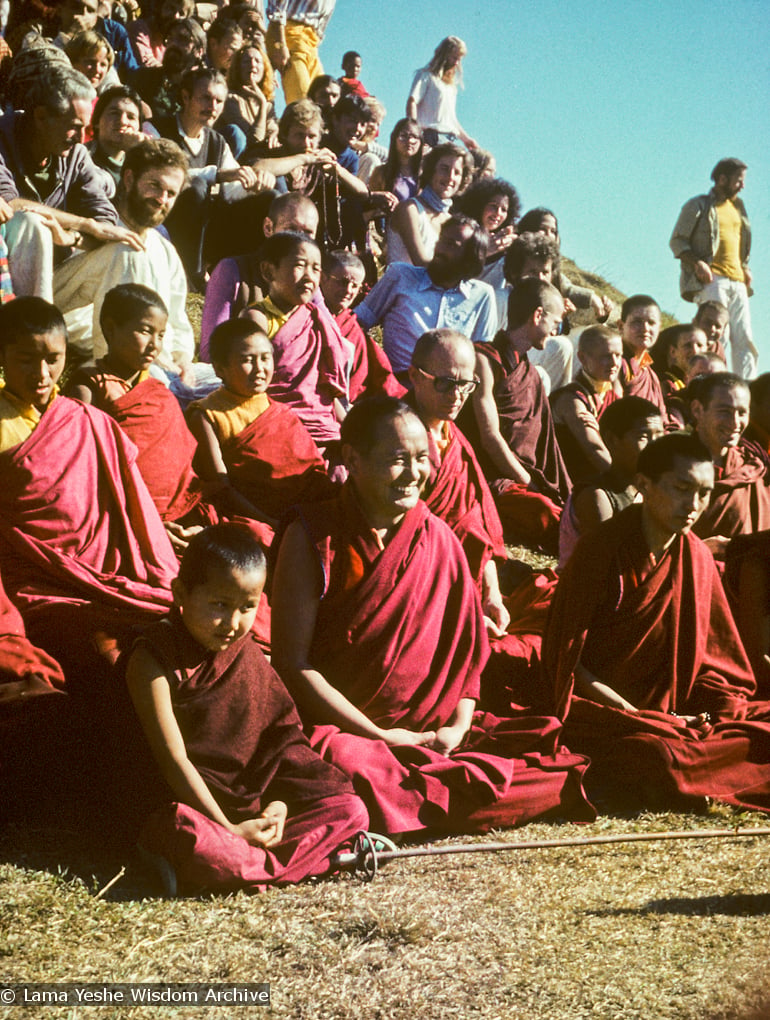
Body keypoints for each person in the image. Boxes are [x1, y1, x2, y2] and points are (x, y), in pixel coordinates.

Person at [271, 397, 593, 836]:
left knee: (552, 764)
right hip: (346, 730)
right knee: (347, 767)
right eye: (396, 460)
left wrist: (459, 727)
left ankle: (404, 801)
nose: (413, 473)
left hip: (434, 735)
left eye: (422, 458)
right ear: (353, 459)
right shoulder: (312, 536)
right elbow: (293, 664)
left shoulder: (439, 538)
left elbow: (467, 662)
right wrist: (381, 736)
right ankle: (409, 797)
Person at [126, 523, 369, 895]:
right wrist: (228, 828)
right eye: (219, 606)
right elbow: (173, 760)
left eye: (247, 607)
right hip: (192, 805)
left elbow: (281, 746)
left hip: (252, 809)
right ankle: (282, 861)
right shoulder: (151, 658)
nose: (233, 623)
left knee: (350, 810)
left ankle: (247, 866)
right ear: (180, 593)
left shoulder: (246, 653)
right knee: (193, 838)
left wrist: (278, 808)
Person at [543, 431, 770, 814]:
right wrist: (635, 715)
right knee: (654, 755)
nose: (694, 505)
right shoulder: (600, 551)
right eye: (682, 489)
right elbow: (568, 664)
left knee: (755, 730)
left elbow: (717, 664)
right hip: (608, 714)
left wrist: (710, 708)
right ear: (644, 485)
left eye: (704, 493)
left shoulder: (696, 557)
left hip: (677, 717)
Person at [0, 297, 176, 683]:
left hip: (109, 566)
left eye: (53, 359)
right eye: (26, 359)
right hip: (38, 575)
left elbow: (132, 504)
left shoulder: (88, 420)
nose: (42, 374)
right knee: (107, 657)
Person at [65, 284, 211, 538]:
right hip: (122, 515)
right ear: (110, 328)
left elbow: (180, 461)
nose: (154, 344)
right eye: (145, 331)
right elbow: (82, 469)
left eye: (161, 335)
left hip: (180, 509)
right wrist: (144, 520)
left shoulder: (159, 391)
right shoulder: (88, 386)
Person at [52, 137, 196, 379]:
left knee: (223, 383)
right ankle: (114, 375)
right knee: (126, 249)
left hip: (157, 356)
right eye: (154, 185)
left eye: (171, 193)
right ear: (129, 180)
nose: (162, 199)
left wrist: (183, 361)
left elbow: (178, 321)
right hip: (73, 318)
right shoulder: (97, 222)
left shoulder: (165, 251)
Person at [0, 64, 142, 302]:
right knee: (32, 224)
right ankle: (28, 332)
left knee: (126, 247)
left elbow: (104, 222)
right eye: (75, 127)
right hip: (8, 275)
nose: (80, 138)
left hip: (54, 276)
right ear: (41, 116)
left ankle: (105, 338)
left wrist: (72, 238)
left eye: (85, 128)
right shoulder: (3, 136)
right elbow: (10, 204)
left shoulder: (75, 154)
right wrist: (83, 224)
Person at [186, 318, 334, 529]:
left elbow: (312, 473)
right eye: (248, 360)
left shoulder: (280, 412)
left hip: (304, 511)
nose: (260, 369)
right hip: (254, 517)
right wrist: (271, 523)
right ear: (219, 369)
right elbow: (221, 488)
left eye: (265, 358)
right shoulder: (206, 414)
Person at [457, 278, 570, 554]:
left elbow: (543, 443)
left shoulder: (530, 374)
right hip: (489, 478)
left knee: (572, 511)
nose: (557, 330)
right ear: (538, 315)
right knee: (545, 512)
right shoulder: (483, 360)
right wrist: (528, 483)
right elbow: (490, 438)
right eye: (556, 322)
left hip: (525, 479)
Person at [408, 329, 508, 637]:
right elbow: (401, 547)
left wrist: (491, 593)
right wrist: (464, 610)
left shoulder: (456, 442)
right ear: (415, 376)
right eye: (445, 383)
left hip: (467, 583)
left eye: (466, 384)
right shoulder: (393, 439)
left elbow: (478, 528)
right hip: (420, 590)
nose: (457, 395)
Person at [243, 230, 352, 454]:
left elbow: (326, 390)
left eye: (316, 268)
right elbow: (250, 385)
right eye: (300, 265)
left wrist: (347, 426)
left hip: (321, 423)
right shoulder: (258, 318)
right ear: (268, 271)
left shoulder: (318, 320)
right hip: (275, 421)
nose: (309, 277)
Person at [355, 214, 496, 376]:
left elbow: (482, 356)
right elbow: (358, 321)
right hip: (398, 386)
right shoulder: (400, 276)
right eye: (441, 240)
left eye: (451, 245)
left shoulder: (482, 295)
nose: (439, 249)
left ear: (471, 256)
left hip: (450, 392)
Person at [200, 190, 318, 357]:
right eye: (291, 229)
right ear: (268, 228)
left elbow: (333, 343)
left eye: (308, 233)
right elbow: (211, 351)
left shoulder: (310, 280)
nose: (298, 239)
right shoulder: (233, 270)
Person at [670, 158, 755, 378]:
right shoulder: (698, 205)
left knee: (744, 337)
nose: (742, 186)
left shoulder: (738, 209)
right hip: (712, 278)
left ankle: (746, 389)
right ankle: (714, 380)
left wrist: (745, 268)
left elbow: (739, 244)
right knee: (717, 335)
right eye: (738, 180)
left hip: (737, 282)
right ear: (722, 179)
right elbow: (677, 241)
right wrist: (697, 263)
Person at [558, 396, 664, 569]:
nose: (655, 447)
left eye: (659, 437)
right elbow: (611, 563)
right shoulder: (596, 496)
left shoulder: (648, 491)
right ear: (612, 440)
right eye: (644, 436)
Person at [689, 372, 770, 555]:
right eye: (724, 411)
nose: (735, 423)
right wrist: (699, 551)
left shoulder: (754, 467)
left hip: (746, 579)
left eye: (742, 413)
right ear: (697, 410)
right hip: (693, 576)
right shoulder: (672, 463)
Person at [320, 249, 403, 402]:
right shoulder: (308, 315)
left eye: (355, 286)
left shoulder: (351, 326)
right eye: (343, 282)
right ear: (322, 278)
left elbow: (367, 376)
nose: (348, 291)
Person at [550, 325, 623, 486]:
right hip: (570, 480)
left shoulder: (612, 395)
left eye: (618, 355)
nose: (614, 363)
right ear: (582, 358)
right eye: (606, 356)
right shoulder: (571, 399)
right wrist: (628, 483)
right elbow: (594, 450)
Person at [385, 142, 472, 266]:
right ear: (431, 170)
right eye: (444, 169)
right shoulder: (409, 209)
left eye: (457, 173)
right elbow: (420, 263)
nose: (450, 177)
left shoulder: (451, 222)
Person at [453, 175, 519, 315]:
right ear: (480, 204)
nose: (498, 214)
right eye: (493, 207)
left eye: (504, 210)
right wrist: (484, 251)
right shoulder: (463, 231)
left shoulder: (506, 243)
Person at [406, 36, 477, 150]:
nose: (456, 63)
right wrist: (413, 131)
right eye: (454, 58)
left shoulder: (450, 87)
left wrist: (466, 139)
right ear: (445, 55)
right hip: (431, 136)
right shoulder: (426, 76)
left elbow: (450, 119)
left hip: (449, 137)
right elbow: (412, 101)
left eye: (459, 59)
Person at [265, 0, 336, 104]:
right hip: (289, 33)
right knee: (302, 101)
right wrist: (278, 41)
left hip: (312, 42)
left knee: (323, 98)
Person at [618, 294, 669, 423]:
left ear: (659, 328)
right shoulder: (614, 363)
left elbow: (662, 420)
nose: (645, 328)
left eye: (651, 323)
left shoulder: (651, 375)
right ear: (620, 326)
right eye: (637, 322)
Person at [219, 43, 276, 158]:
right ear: (238, 68)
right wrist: (261, 103)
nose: (252, 65)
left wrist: (275, 134)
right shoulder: (229, 98)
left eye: (257, 61)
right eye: (246, 61)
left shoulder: (268, 105)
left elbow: (272, 130)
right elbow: (254, 140)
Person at [87, 84, 146, 190]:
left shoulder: (145, 166)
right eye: (114, 113)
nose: (123, 121)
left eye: (131, 117)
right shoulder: (81, 159)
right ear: (97, 121)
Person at [367, 117, 422, 205]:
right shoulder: (381, 173)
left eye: (414, 137)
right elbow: (370, 205)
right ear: (394, 139)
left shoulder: (426, 176)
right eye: (403, 136)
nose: (409, 141)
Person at [128, 0, 196, 69]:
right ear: (159, 7)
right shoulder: (139, 28)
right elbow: (147, 64)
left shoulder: (183, 40)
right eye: (171, 8)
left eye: (181, 13)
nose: (176, 16)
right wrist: (177, 75)